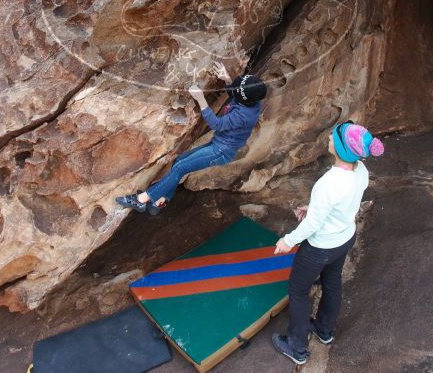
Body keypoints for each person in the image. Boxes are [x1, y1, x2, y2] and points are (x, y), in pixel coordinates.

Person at [271, 121, 384, 365]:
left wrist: (287, 241)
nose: (329, 138)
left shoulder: (328, 183)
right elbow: (342, 202)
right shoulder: (360, 170)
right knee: (332, 283)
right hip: (344, 238)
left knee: (298, 292)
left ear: (342, 149)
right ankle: (324, 330)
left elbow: (313, 226)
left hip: (319, 248)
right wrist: (313, 209)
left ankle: (297, 348)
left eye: (333, 137)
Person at [116, 62, 267, 215]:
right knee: (179, 162)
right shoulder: (252, 101)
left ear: (245, 100)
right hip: (219, 145)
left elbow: (216, 124)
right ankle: (160, 200)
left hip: (221, 151)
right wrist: (228, 79)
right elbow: (235, 94)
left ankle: (141, 200)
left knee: (180, 168)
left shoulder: (244, 116)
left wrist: (201, 99)